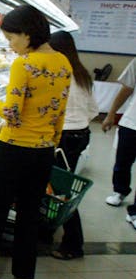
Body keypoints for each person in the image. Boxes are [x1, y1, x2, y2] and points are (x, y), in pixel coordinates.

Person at [0, 5, 72, 279]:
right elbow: (58, 112)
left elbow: (11, 113)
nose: (10, 46)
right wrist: (51, 141)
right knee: (29, 215)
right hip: (43, 150)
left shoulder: (24, 64)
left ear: (27, 34)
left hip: (13, 149)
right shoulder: (63, 62)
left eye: (11, 38)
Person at [48, 31, 98, 259]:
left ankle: (73, 244)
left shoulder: (60, 73)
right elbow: (94, 110)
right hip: (80, 134)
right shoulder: (82, 74)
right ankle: (47, 230)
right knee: (59, 185)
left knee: (62, 190)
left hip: (63, 137)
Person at [102, 57, 136, 229]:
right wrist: (111, 114)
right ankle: (120, 190)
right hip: (132, 123)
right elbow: (126, 89)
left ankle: (135, 212)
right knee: (122, 162)